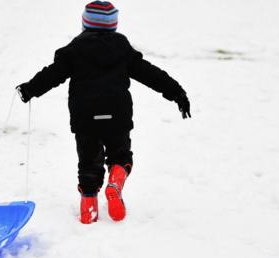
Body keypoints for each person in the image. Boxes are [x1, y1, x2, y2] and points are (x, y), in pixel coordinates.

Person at [16, 1, 191, 224]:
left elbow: (53, 74)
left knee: (88, 164)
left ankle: (89, 210)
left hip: (85, 117)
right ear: (113, 26)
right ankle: (115, 183)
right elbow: (149, 73)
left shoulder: (74, 49)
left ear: (85, 23)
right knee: (120, 156)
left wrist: (30, 89)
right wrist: (176, 92)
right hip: (117, 114)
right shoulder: (122, 48)